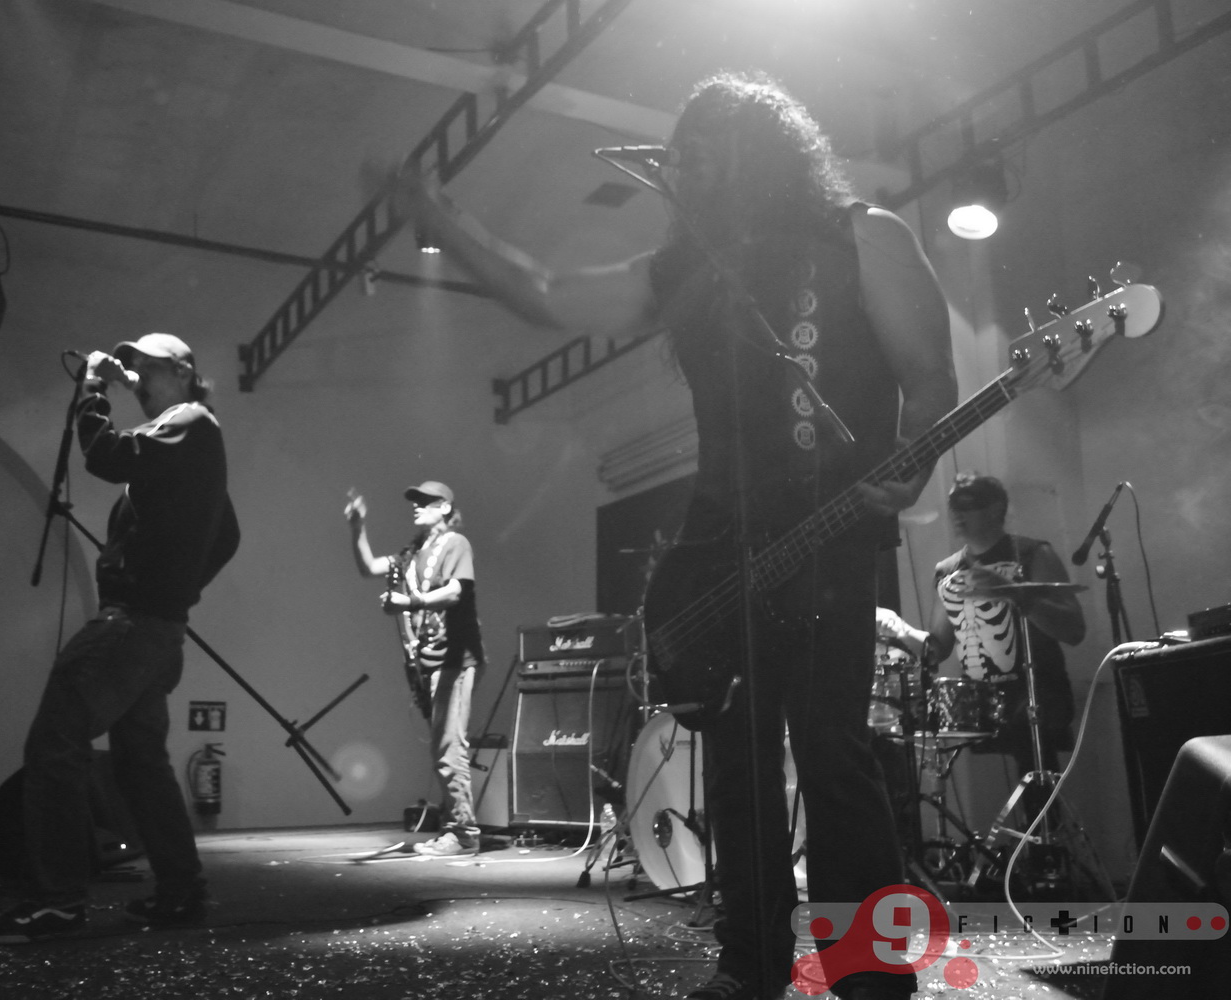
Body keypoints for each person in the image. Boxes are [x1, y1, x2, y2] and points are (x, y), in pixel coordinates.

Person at [379, 71, 956, 1000]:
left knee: (832, 754)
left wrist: (913, 462)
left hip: (832, 536)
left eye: (704, 150)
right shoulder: (684, 269)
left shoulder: (862, 236)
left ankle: (866, 975)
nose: (684, 168)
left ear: (758, 151)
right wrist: (443, 219)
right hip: (715, 545)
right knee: (734, 764)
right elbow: (549, 292)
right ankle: (751, 964)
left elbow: (930, 374)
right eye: (679, 154)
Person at [0, 332, 240, 943]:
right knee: (141, 763)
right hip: (157, 626)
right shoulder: (188, 441)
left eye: (148, 368)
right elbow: (227, 535)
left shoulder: (188, 421)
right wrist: (179, 587)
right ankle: (180, 890)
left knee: (54, 743)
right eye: (132, 368)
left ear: (184, 372)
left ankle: (57, 901)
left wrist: (93, 388)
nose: (137, 377)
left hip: (132, 623)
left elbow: (106, 455)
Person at [345, 481, 486, 857]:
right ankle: (455, 826)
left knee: (449, 746)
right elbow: (369, 567)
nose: (416, 506)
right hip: (431, 663)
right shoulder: (412, 555)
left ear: (445, 508)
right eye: (415, 501)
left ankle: (464, 833)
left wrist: (411, 602)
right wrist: (357, 527)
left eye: (425, 501)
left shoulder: (456, 543)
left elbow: (456, 591)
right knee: (444, 748)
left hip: (455, 659)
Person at [924, 472, 1084, 785]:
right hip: (979, 703)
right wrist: (897, 633)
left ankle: (1042, 815)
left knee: (1035, 778)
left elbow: (1074, 630)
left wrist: (1013, 593)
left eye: (967, 504)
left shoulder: (1033, 554)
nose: (957, 514)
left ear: (996, 508)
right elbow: (937, 648)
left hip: (1038, 695)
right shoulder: (947, 571)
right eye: (953, 506)